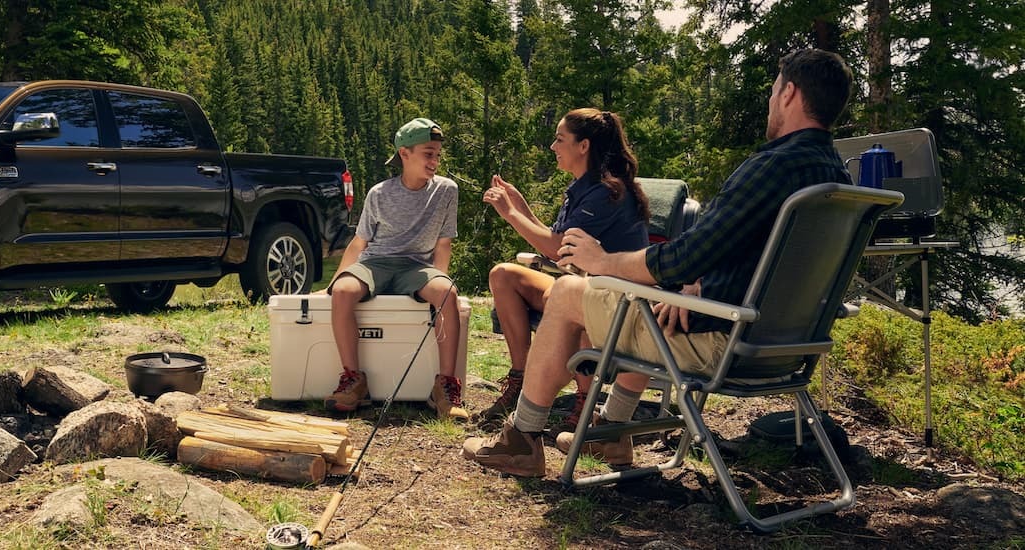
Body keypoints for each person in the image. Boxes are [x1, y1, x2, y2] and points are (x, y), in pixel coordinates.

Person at [463, 48, 855, 476]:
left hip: (719, 341)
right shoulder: (835, 176)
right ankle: (611, 432)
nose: (771, 100)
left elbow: (682, 257)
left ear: (790, 94)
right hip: (784, 346)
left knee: (568, 291)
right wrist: (701, 284)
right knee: (648, 301)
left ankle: (522, 439)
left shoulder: (771, 167)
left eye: (775, 90)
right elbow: (766, 257)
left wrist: (604, 260)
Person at [479, 108, 650, 426]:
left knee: (577, 301)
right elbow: (557, 241)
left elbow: (556, 249)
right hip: (581, 284)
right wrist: (521, 207)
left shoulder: (606, 193)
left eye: (560, 139)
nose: (552, 146)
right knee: (503, 275)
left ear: (583, 146)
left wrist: (510, 214)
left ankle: (584, 402)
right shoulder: (583, 188)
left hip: (616, 299)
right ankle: (520, 380)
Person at [324, 117, 468, 421]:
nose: (435, 161)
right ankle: (353, 380)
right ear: (405, 153)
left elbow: (443, 244)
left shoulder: (447, 190)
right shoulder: (379, 193)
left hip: (416, 266)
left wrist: (441, 288)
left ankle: (445, 388)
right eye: (428, 154)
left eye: (437, 155)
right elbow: (359, 243)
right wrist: (334, 283)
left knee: (447, 293)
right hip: (375, 263)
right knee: (343, 292)